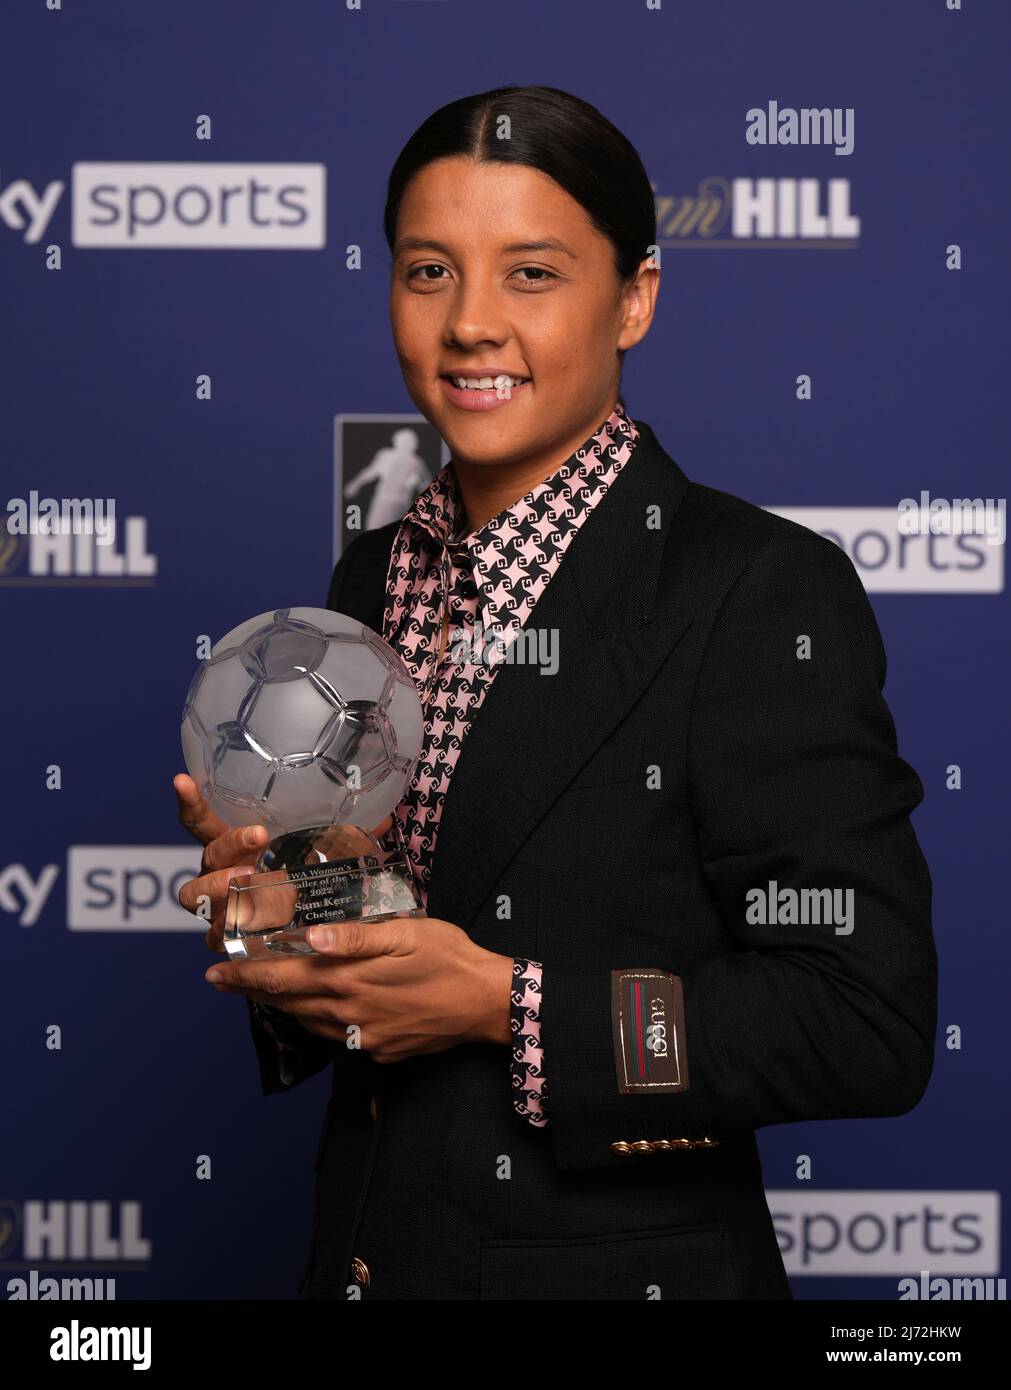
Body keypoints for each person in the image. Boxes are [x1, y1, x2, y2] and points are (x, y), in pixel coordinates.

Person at [175, 85, 937, 1301]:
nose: (472, 322)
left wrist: (507, 1007)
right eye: (430, 271)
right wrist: (290, 906)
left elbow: (861, 1017)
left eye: (531, 273)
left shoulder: (759, 592)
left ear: (634, 297)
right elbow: (396, 934)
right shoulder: (373, 575)